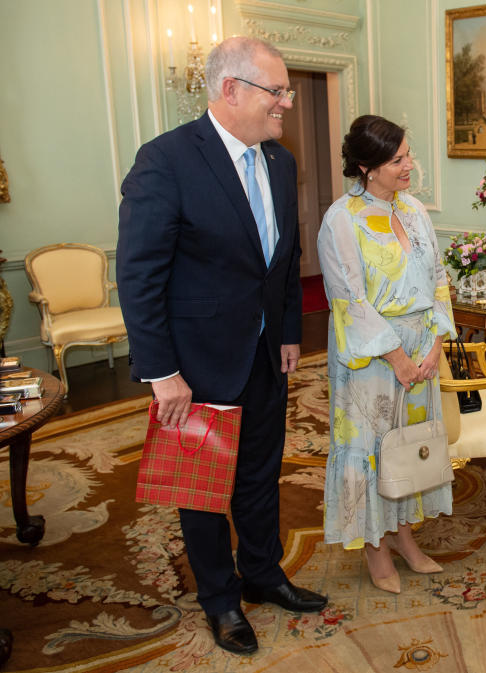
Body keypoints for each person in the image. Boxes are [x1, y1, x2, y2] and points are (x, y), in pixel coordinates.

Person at [117, 36, 327, 656]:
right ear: (230, 90)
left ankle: (262, 574)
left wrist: (289, 329)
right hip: (197, 363)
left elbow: (283, 261)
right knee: (202, 487)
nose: (286, 103)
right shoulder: (165, 162)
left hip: (266, 354)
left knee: (260, 474)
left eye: (287, 90)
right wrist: (162, 372)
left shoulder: (281, 161)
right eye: (278, 91)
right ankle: (220, 598)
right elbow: (140, 276)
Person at [317, 115, 457, 594]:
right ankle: (377, 550)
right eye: (398, 160)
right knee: (373, 451)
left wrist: (436, 343)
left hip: (423, 350)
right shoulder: (342, 218)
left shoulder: (415, 210)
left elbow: (439, 276)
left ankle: (405, 538)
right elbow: (349, 300)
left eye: (407, 156)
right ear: (366, 166)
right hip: (373, 359)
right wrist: (398, 358)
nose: (409, 166)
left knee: (407, 448)